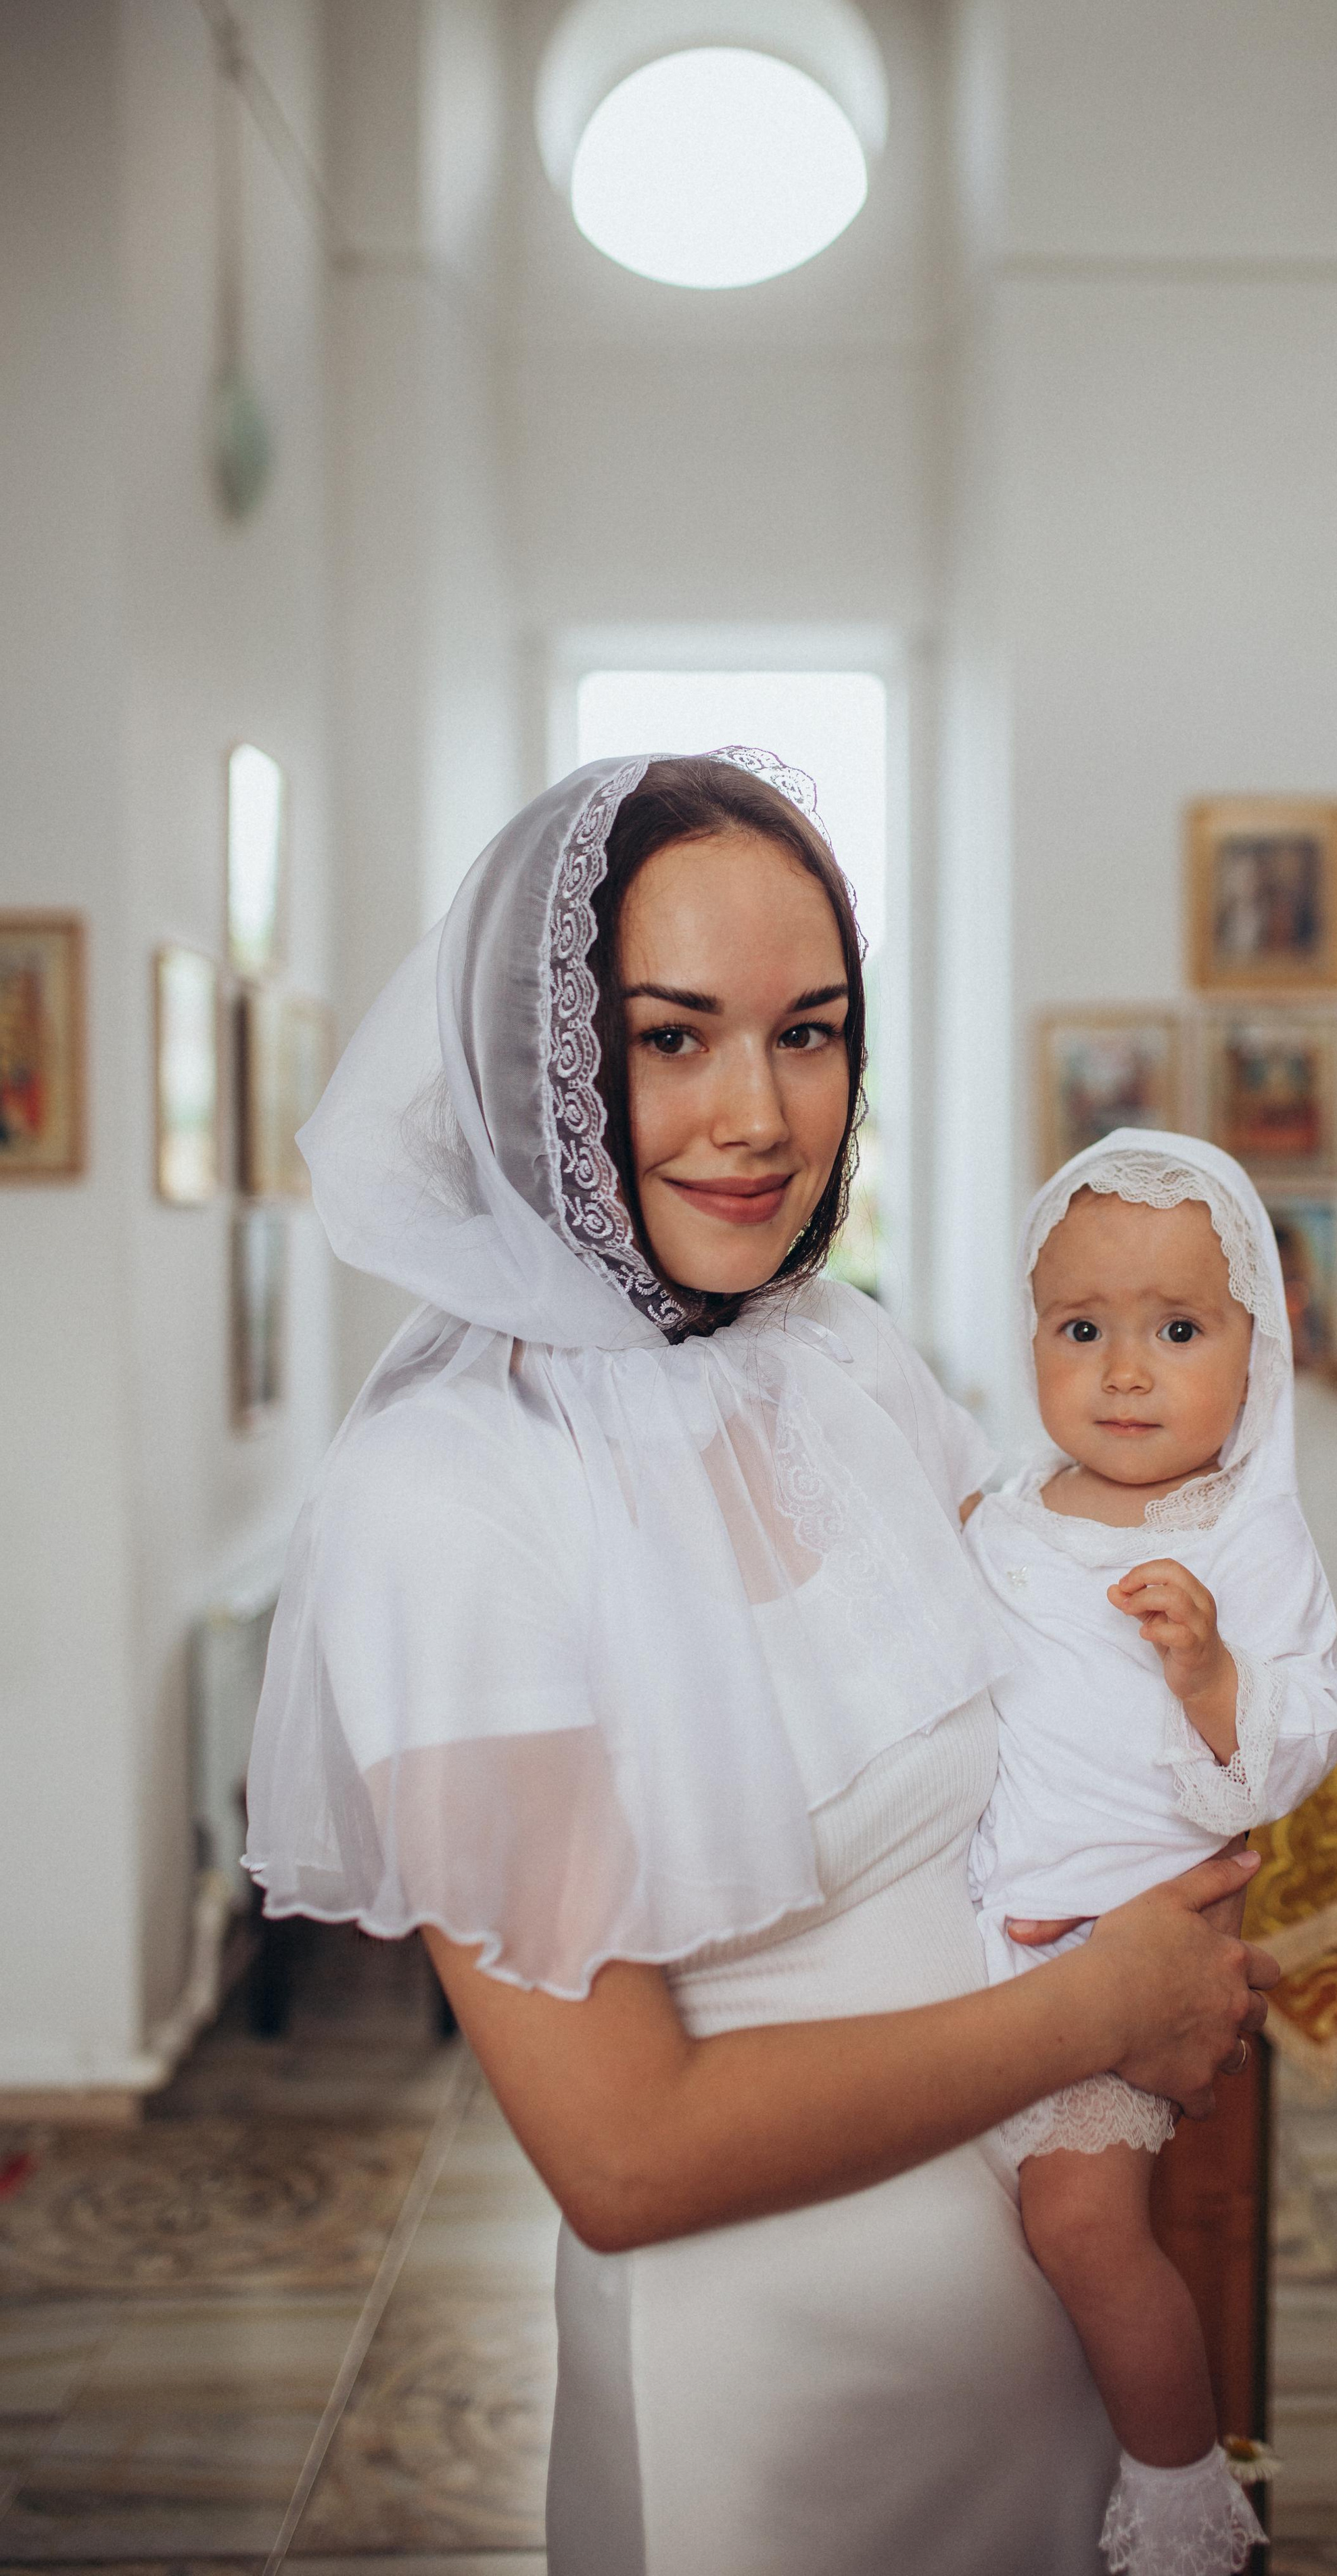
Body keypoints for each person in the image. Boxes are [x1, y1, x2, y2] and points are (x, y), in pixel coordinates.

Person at [243, 756, 1280, 2576]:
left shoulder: (840, 1359)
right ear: (539, 1064)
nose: (758, 1115)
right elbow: (625, 2154)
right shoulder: (450, 1498)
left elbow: (1062, 1697)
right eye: (672, 1038)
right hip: (771, 2425)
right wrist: (1108, 2009)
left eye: (810, 1033)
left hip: (1044, 2337)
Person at [965, 1128, 1337, 2575]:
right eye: (1081, 1329)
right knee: (982, 2259)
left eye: (1176, 1330)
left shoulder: (1239, 1533)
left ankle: (1182, 2491)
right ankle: (1025, 2483)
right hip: (976, 1937)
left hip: (1113, 1953)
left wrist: (1210, 1676)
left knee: (1081, 2224)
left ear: (1256, 1352)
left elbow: (1307, 1719)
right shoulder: (1006, 1514)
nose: (1123, 1372)